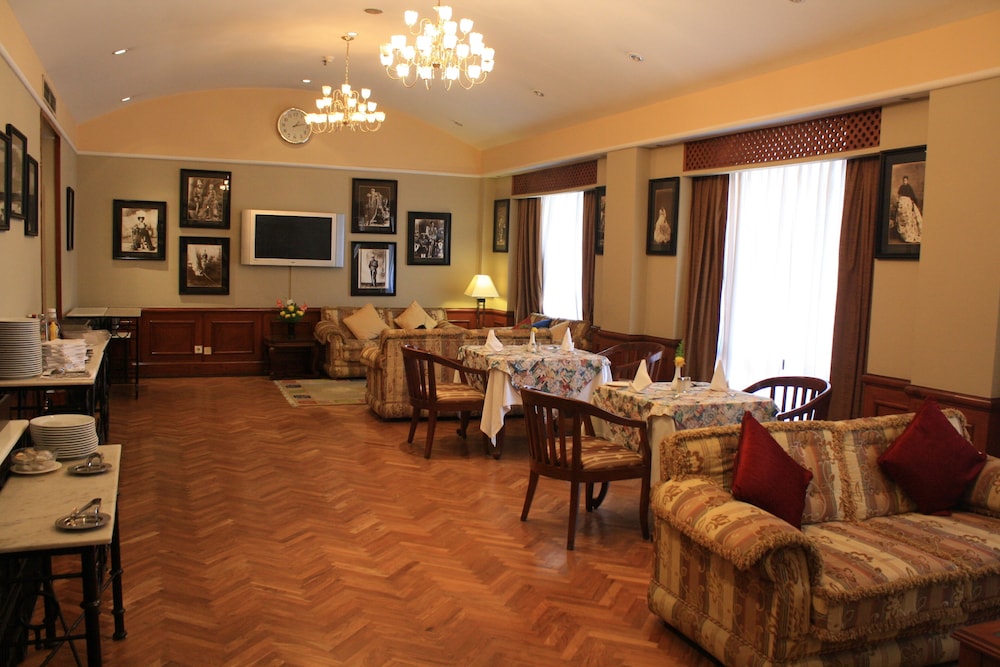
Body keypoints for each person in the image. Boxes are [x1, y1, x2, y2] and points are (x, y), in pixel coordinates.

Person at [893, 175, 923, 243]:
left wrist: (913, 202)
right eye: (904, 180)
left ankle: (909, 234)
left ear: (907, 180)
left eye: (906, 180)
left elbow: (912, 196)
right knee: (901, 216)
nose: (905, 181)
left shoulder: (909, 187)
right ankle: (903, 235)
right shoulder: (901, 187)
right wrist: (899, 200)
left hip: (908, 202)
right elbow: (899, 194)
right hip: (902, 202)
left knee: (909, 217)